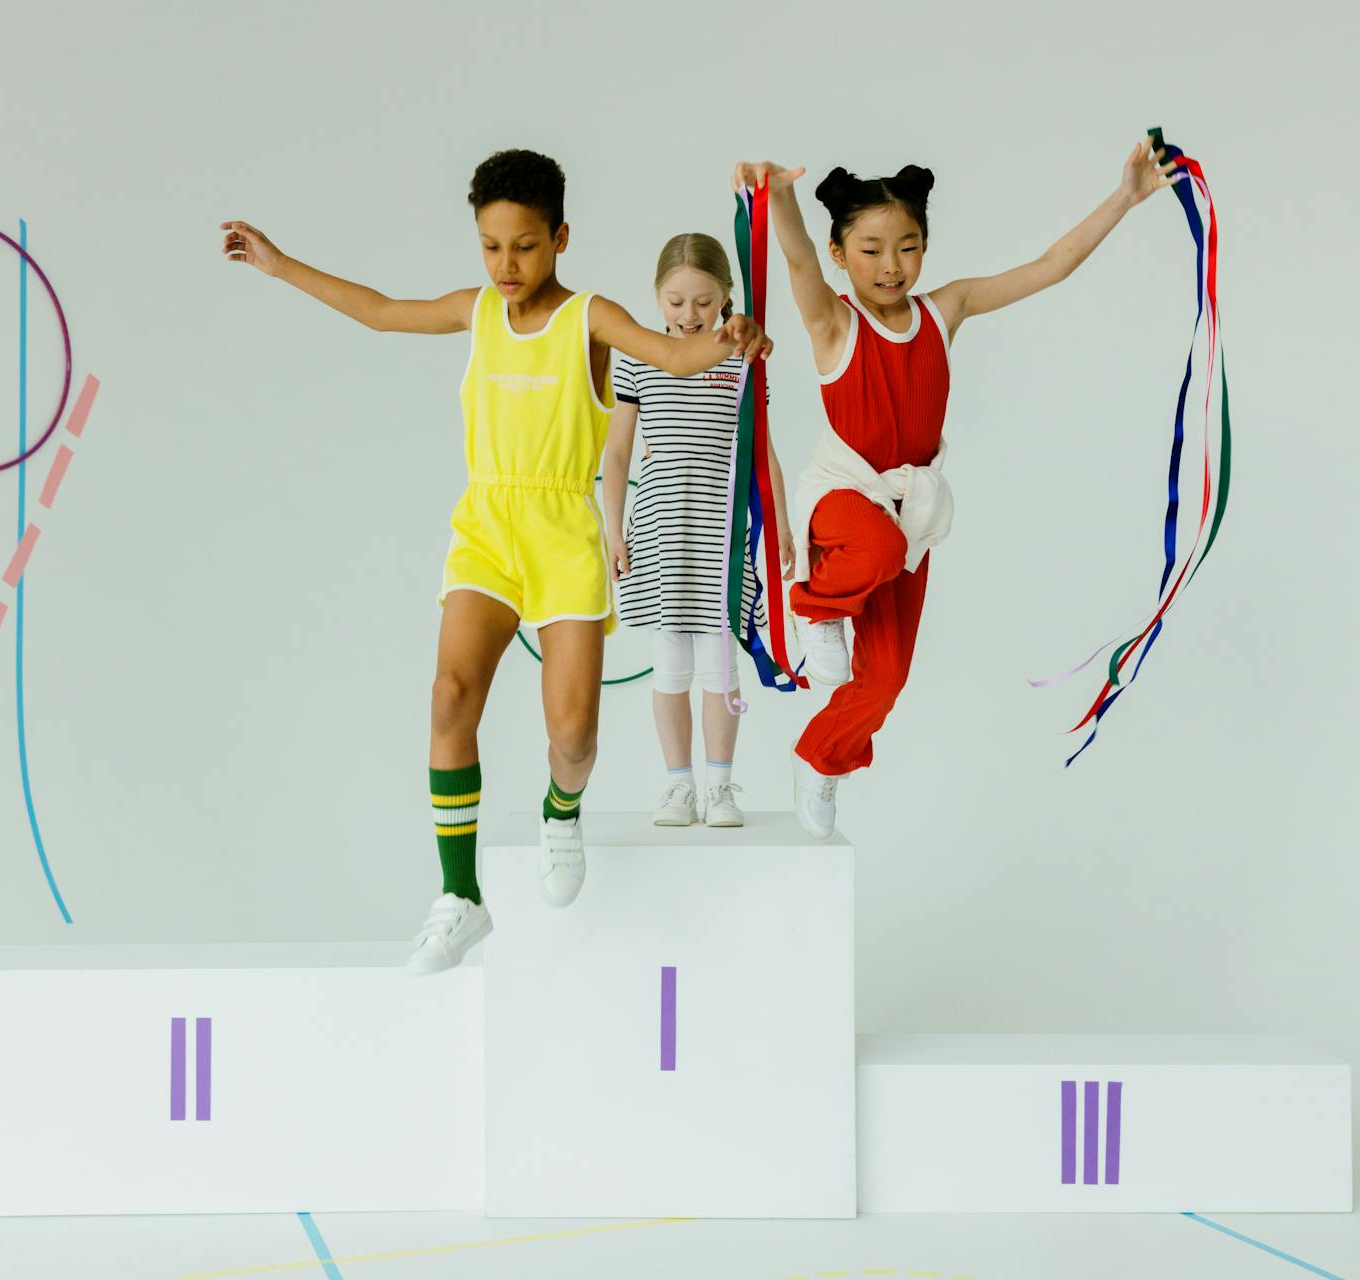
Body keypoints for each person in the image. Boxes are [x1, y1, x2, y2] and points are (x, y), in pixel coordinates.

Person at [222, 149, 770, 972]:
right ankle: (460, 894)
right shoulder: (475, 311)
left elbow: (673, 356)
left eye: (523, 245)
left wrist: (731, 341)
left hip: (559, 531)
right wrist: (279, 264)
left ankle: (561, 812)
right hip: (486, 523)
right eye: (490, 246)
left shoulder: (590, 317)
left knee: (575, 735)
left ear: (560, 237)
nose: (506, 265)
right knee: (449, 695)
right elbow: (378, 310)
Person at [733, 139, 1179, 837]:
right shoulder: (834, 323)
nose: (890, 265)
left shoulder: (946, 310)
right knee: (873, 546)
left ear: (926, 248)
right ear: (840, 254)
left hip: (910, 511)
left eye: (907, 247)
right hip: (845, 501)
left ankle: (820, 758)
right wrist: (777, 196)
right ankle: (817, 607)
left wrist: (1125, 195)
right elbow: (792, 259)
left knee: (884, 683)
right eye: (871, 249)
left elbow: (1050, 268)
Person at [600, 232, 793, 829]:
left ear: (726, 297)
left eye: (704, 302)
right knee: (670, 669)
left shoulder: (742, 359)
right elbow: (616, 454)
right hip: (661, 533)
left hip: (722, 535)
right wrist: (613, 530)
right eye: (676, 302)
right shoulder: (639, 356)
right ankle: (678, 786)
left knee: (722, 669)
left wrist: (781, 524)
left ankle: (721, 785)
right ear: (658, 298)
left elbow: (762, 452)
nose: (689, 316)